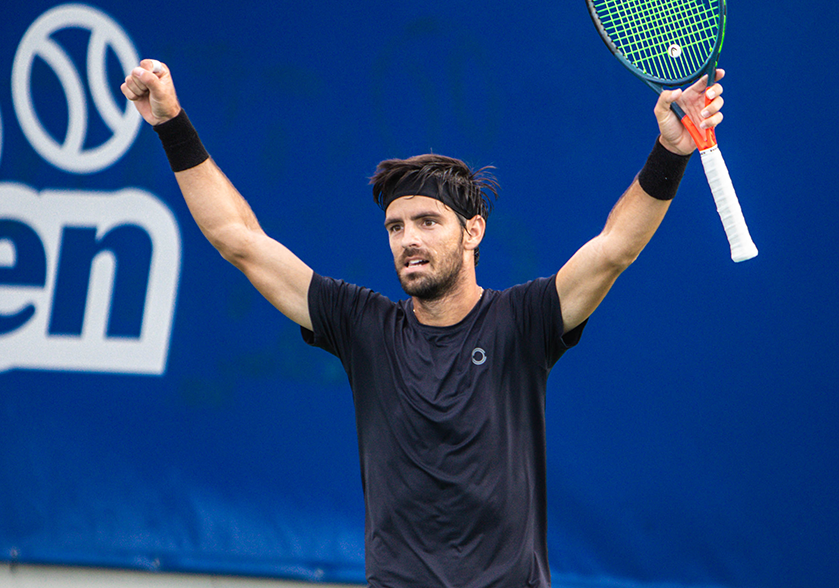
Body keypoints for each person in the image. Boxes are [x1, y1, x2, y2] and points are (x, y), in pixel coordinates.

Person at [121, 60, 724, 588]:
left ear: (472, 231)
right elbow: (240, 241)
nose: (408, 239)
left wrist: (670, 149)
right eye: (395, 227)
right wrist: (171, 122)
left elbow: (616, 246)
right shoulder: (362, 325)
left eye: (428, 221)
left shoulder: (524, 321)